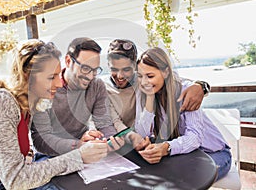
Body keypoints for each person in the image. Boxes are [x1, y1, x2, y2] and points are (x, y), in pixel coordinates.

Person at [0, 39, 108, 189]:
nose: (59, 84)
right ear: (28, 75)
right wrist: (79, 156)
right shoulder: (1, 103)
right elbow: (15, 180)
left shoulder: (28, 105)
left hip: (1, 182)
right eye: (51, 77)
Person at [135, 47, 231, 181]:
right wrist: (150, 99)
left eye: (150, 76)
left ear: (165, 72)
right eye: (140, 76)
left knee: (184, 181)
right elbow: (142, 133)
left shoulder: (186, 90)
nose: (144, 82)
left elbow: (194, 136)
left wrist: (166, 148)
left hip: (213, 154)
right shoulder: (143, 93)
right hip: (184, 155)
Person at [103, 39, 210, 150]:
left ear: (134, 67)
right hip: (127, 142)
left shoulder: (141, 82)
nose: (120, 76)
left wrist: (201, 86)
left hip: (203, 149)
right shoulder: (105, 89)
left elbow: (182, 82)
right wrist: (150, 96)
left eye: (126, 69)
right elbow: (116, 122)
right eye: (114, 69)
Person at [31, 37, 122, 157]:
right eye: (85, 68)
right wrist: (78, 145)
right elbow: (41, 139)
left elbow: (104, 123)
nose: (90, 76)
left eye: (95, 70)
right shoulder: (47, 88)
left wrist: (111, 140)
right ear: (68, 61)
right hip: (49, 155)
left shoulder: (96, 85)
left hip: (84, 149)